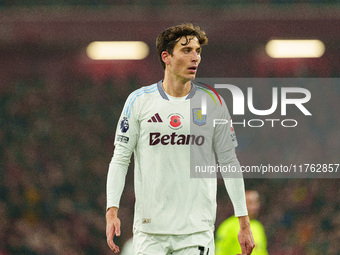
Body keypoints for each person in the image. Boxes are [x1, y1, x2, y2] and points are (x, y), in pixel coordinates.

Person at [106, 23, 255, 255]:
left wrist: (243, 223)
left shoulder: (213, 102)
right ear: (166, 56)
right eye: (187, 51)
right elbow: (120, 159)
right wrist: (111, 211)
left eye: (198, 51)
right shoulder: (139, 101)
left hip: (196, 231)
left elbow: (229, 162)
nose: (195, 57)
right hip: (149, 232)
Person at [215, 190, 268, 255]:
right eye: (249, 202)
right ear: (240, 205)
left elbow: (262, 251)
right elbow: (219, 251)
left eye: (256, 202)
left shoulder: (258, 226)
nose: (254, 206)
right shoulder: (228, 226)